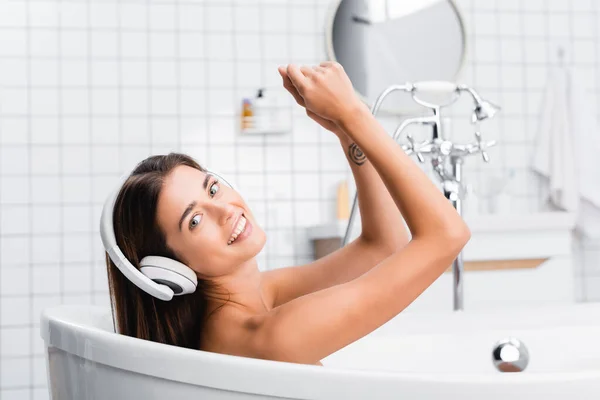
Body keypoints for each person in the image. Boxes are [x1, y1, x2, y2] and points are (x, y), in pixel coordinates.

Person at [105, 61, 470, 367]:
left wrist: (346, 132)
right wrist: (356, 114)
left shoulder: (256, 298)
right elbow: (446, 235)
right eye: (195, 221)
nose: (225, 210)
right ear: (167, 271)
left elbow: (382, 246)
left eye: (212, 188)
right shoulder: (265, 336)